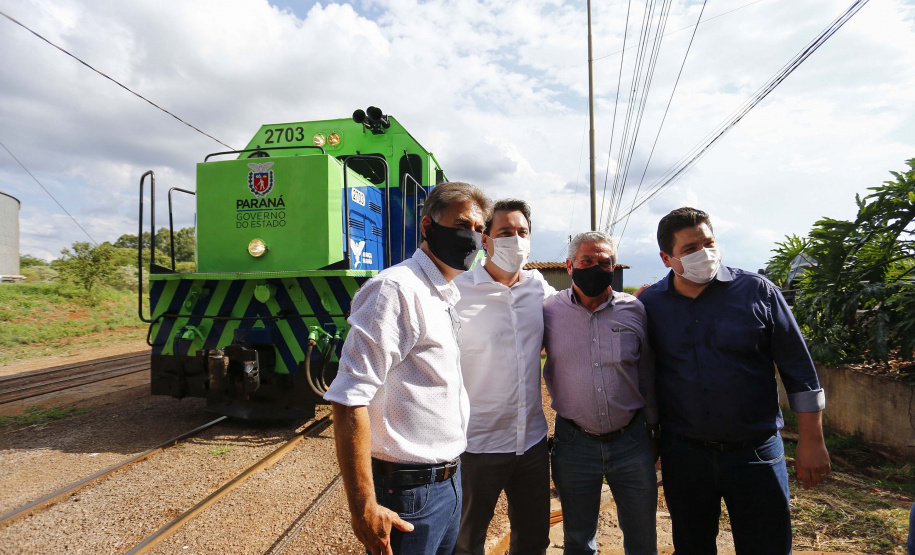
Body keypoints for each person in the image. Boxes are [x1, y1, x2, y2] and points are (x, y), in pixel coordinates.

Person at [637, 207, 831, 555]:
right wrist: (651, 437)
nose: (705, 253)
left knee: (767, 546)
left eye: (708, 243)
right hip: (685, 455)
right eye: (691, 248)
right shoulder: (650, 304)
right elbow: (646, 375)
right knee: (692, 546)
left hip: (756, 452)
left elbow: (799, 370)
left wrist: (812, 441)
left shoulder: (757, 291)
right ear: (667, 258)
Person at [324, 181, 493, 555]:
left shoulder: (443, 293)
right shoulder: (396, 289)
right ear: (428, 226)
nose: (472, 237)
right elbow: (349, 398)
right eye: (462, 225)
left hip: (448, 483)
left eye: (479, 229)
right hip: (408, 493)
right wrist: (363, 506)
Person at [543, 230, 659, 555]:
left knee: (642, 537)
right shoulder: (548, 311)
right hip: (574, 443)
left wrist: (652, 429)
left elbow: (647, 372)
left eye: (605, 262)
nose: (596, 267)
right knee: (578, 540)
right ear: (569, 266)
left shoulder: (634, 310)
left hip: (631, 440)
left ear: (614, 267)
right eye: (587, 261)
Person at [453, 199, 555, 555]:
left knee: (533, 540)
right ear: (485, 240)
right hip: (476, 445)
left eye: (522, 232)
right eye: (506, 232)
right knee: (466, 543)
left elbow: (576, 313)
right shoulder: (458, 290)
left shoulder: (538, 288)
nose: (516, 240)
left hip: (531, 443)